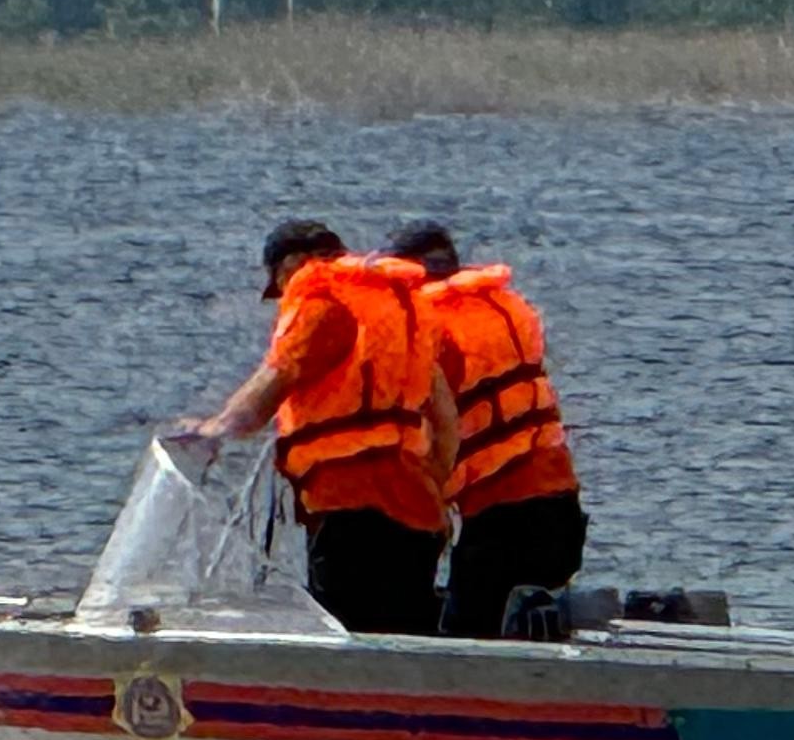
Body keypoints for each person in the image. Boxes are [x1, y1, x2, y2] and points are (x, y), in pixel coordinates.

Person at [186, 217, 457, 634]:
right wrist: (433, 493)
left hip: (347, 509)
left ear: (291, 264)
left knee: (347, 637)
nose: (282, 297)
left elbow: (267, 389)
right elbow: (445, 422)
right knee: (408, 639)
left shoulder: (320, 301)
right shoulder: (400, 304)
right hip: (415, 509)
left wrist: (214, 430)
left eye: (278, 282)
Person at [391, 218, 589, 639]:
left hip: (501, 518)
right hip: (561, 504)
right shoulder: (509, 308)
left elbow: (438, 426)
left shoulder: (429, 328)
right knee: (530, 628)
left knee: (467, 636)